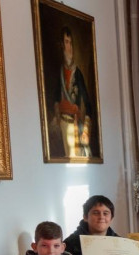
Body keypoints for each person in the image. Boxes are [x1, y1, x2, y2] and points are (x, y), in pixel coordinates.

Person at [49, 27, 96, 158]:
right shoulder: (59, 74)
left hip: (75, 125)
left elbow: (88, 104)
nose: (68, 46)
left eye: (69, 42)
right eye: (65, 42)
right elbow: (55, 99)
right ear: (61, 46)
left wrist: (85, 129)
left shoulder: (78, 73)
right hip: (62, 125)